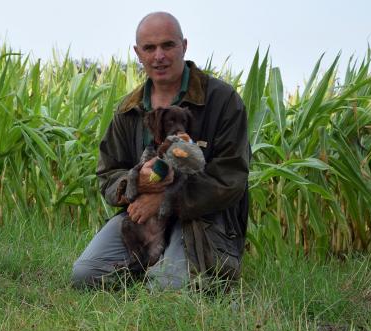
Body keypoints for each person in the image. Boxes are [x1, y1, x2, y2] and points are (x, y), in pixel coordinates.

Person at [71, 12, 250, 290]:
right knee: (86, 276)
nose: (159, 56)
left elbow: (231, 178)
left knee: (166, 288)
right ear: (137, 53)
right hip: (145, 221)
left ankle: (179, 271)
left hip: (203, 218)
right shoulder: (128, 110)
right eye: (149, 48)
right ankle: (150, 265)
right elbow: (108, 173)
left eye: (168, 45)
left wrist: (167, 199)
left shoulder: (222, 100)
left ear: (184, 46)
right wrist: (134, 182)